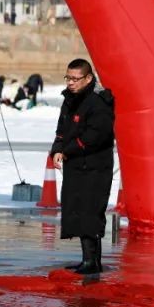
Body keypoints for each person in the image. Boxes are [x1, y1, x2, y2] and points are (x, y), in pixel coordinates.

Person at [51, 58, 115, 275]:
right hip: (75, 166)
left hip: (94, 167)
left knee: (90, 212)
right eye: (67, 78)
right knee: (77, 210)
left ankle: (92, 262)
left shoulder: (99, 102)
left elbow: (96, 136)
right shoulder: (70, 100)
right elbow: (61, 129)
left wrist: (68, 150)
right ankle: (87, 259)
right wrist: (58, 148)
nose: (70, 83)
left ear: (88, 78)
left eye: (75, 79)